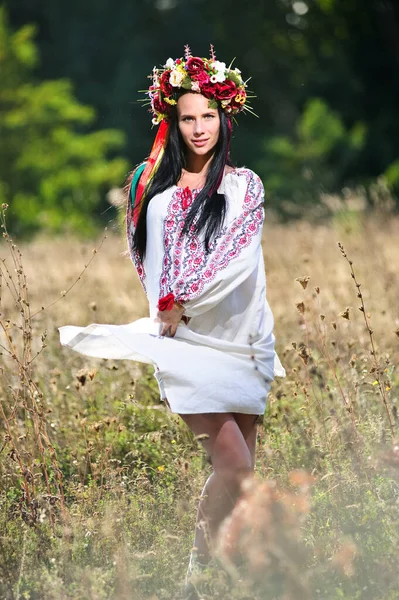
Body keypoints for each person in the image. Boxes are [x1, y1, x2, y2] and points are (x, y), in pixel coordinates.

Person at [59, 45, 285, 590]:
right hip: (183, 343)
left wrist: (188, 297)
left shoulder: (245, 187)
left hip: (241, 340)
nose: (200, 127)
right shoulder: (158, 202)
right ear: (174, 123)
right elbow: (157, 282)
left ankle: (220, 577)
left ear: (224, 117)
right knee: (235, 467)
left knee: (238, 479)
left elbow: (237, 260)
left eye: (208, 115)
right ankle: (194, 578)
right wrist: (173, 306)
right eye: (188, 117)